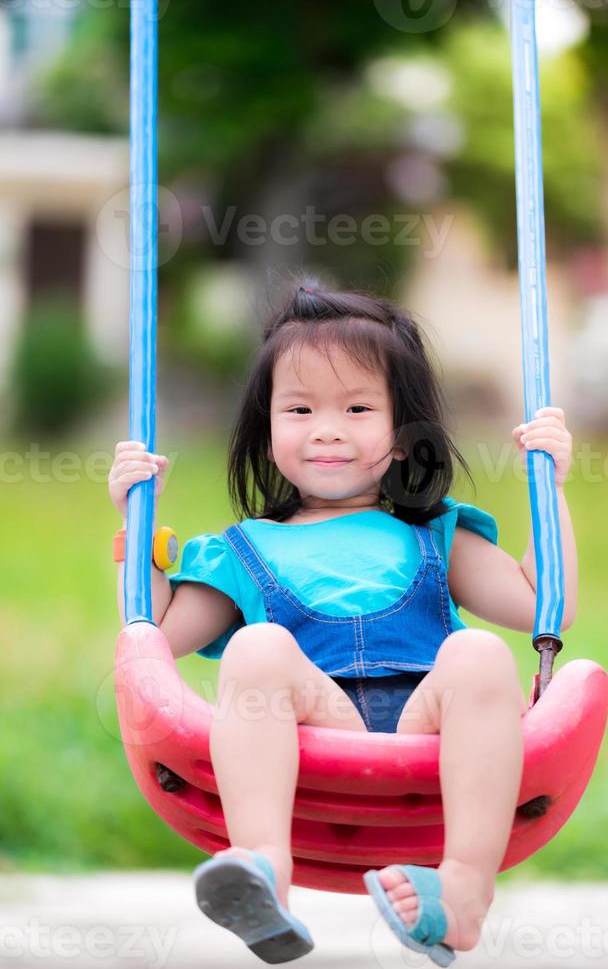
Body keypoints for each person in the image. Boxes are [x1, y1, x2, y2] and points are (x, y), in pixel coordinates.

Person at [109, 279, 576, 966]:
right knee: (259, 645)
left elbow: (540, 603)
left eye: (357, 407)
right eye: (299, 409)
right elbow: (155, 634)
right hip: (321, 728)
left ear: (399, 440)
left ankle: (465, 889)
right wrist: (134, 519)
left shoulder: (433, 535)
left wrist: (552, 487)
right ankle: (263, 871)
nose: (326, 428)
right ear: (269, 436)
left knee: (478, 653)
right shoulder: (243, 550)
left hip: (431, 731)